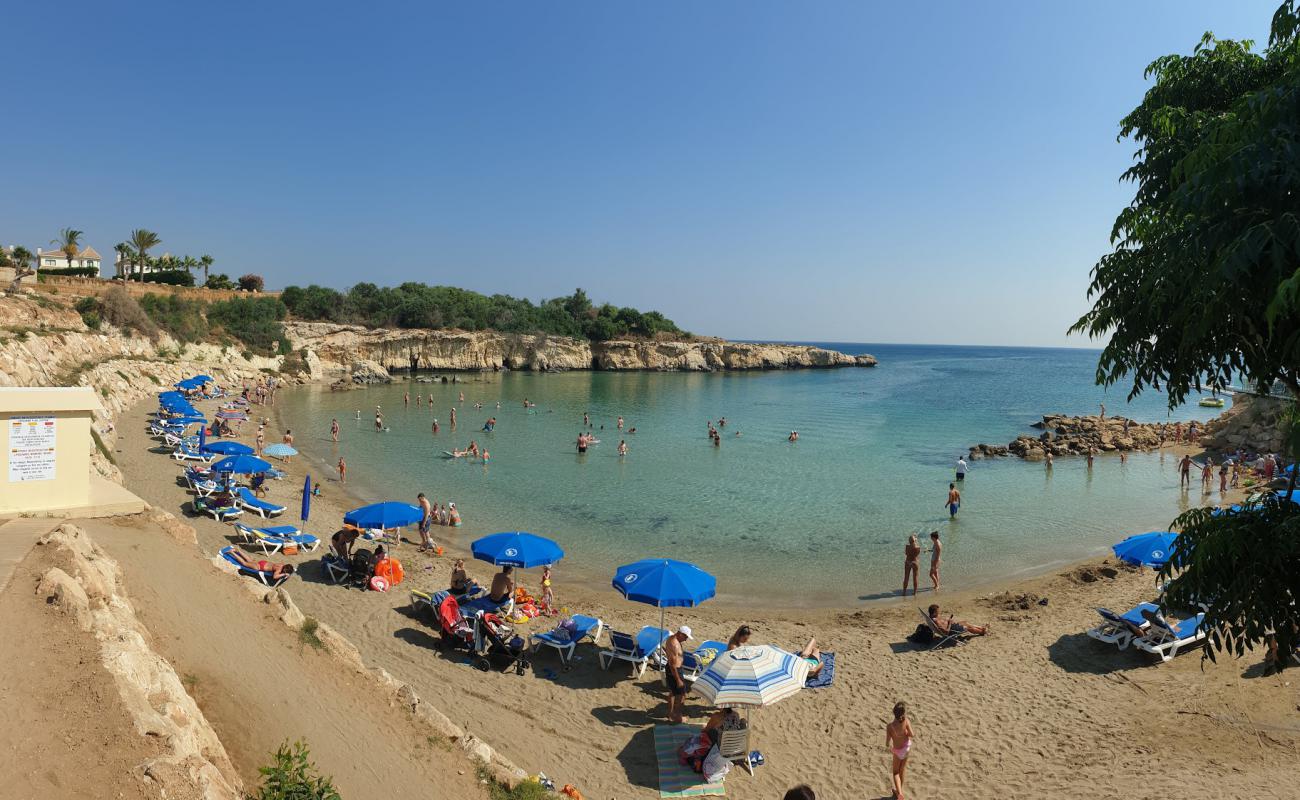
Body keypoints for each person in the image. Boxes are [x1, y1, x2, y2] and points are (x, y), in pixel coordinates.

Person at [663, 625, 692, 723]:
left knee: (672, 692)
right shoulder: (675, 644)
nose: (686, 639)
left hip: (673, 669)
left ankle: (671, 714)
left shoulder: (671, 639)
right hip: (675, 671)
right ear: (680, 633)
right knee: (682, 694)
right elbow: (672, 664)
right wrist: (678, 679)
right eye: (686, 636)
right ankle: (677, 717)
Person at [886, 702, 914, 800]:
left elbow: (887, 742)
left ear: (894, 712)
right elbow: (912, 734)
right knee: (902, 770)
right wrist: (905, 732)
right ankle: (898, 792)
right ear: (903, 713)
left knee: (895, 773)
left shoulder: (890, 726)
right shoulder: (906, 721)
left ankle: (900, 794)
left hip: (898, 751)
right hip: (906, 748)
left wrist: (889, 744)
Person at [226, 549, 296, 581]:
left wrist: (287, 573)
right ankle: (232, 553)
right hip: (259, 567)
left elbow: (288, 568)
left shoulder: (282, 564)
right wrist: (284, 574)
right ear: (285, 570)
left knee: (250, 560)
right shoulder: (279, 570)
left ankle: (238, 550)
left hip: (263, 562)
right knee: (244, 563)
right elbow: (275, 577)